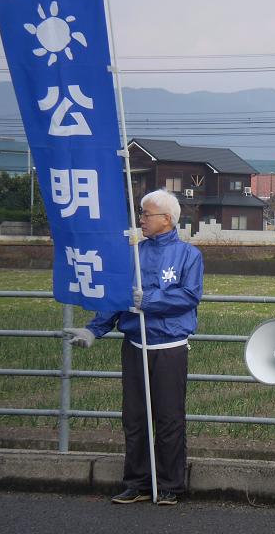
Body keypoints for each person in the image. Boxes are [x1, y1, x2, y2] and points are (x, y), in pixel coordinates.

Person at [65, 189, 204, 506]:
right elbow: (116, 299)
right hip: (135, 345)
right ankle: (138, 483)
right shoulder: (132, 255)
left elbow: (189, 296)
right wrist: (93, 330)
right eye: (141, 213)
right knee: (135, 418)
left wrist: (150, 300)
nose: (141, 219)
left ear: (166, 219)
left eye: (146, 214)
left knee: (169, 418)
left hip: (169, 346)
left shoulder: (188, 255)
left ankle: (170, 485)